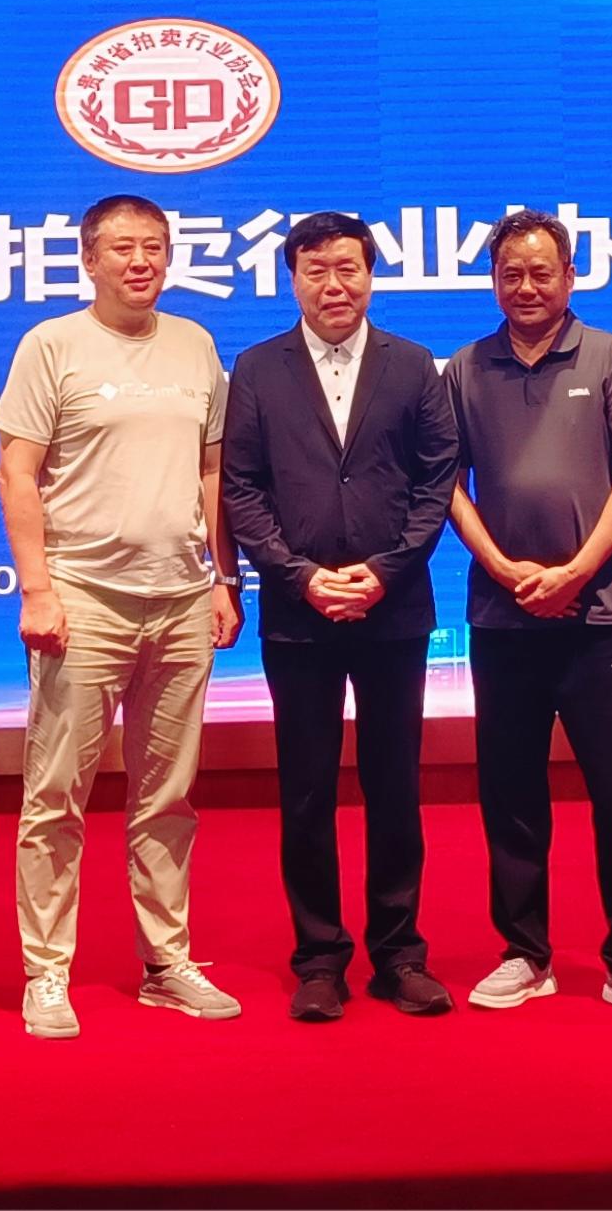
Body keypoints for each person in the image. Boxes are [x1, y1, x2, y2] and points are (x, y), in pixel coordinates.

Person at [0, 194, 245, 1037]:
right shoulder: (51, 345)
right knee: (55, 797)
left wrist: (222, 577)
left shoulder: (194, 343)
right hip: (83, 599)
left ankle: (166, 963)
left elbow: (210, 473)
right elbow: (17, 472)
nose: (140, 262)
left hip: (180, 598)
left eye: (153, 247)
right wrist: (37, 588)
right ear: (89, 259)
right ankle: (46, 972)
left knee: (168, 797)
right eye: (122, 248)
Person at [222, 211, 460, 1023]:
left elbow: (436, 480)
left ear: (370, 276)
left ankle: (399, 954)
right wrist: (297, 576)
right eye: (316, 270)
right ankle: (319, 958)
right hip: (299, 614)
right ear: (293, 279)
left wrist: (386, 572)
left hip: (393, 611)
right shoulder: (258, 368)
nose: (334, 285)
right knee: (305, 790)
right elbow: (241, 488)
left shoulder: (412, 364)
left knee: (395, 785)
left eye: (348, 268)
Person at [446, 208, 612, 1021]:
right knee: (509, 791)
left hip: (599, 612)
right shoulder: (465, 368)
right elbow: (446, 485)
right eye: (510, 273)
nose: (526, 287)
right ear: (492, 280)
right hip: (502, 613)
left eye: (541, 272)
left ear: (570, 276)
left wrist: (577, 569)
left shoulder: (609, 356)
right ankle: (524, 952)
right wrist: (500, 566)